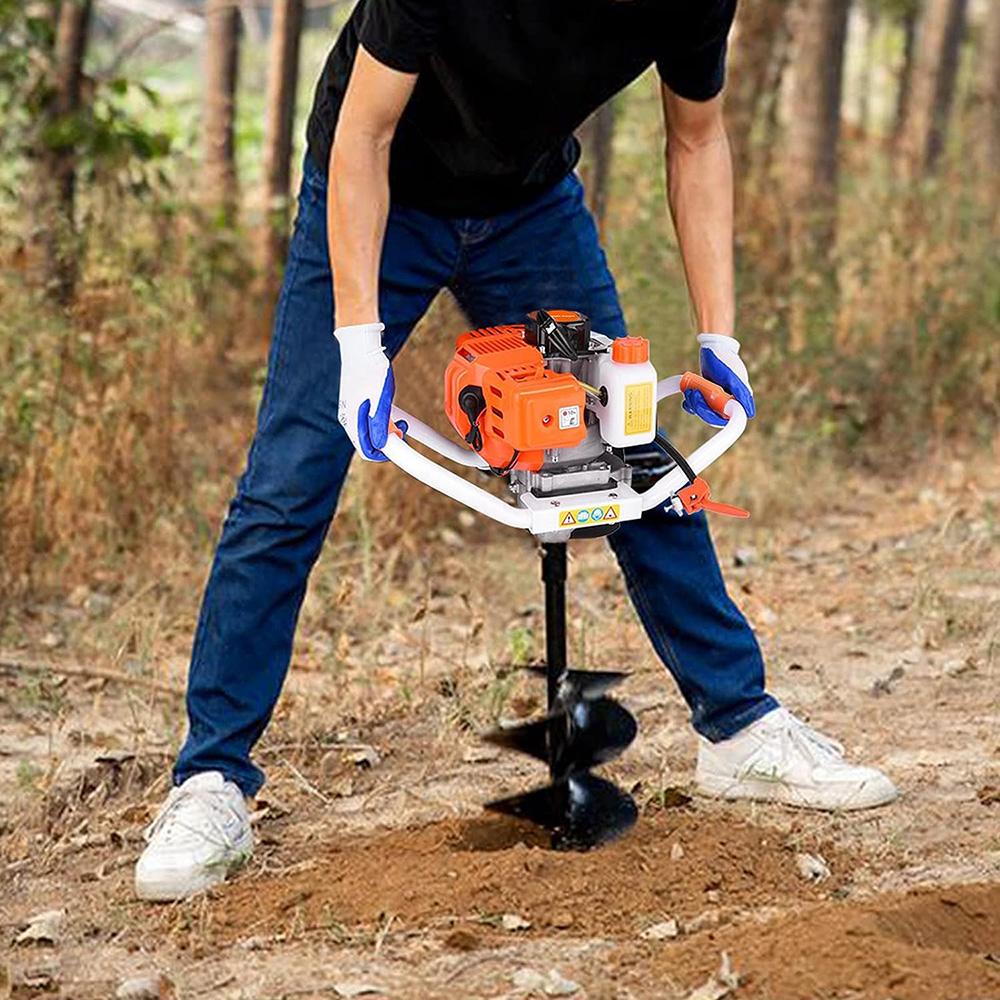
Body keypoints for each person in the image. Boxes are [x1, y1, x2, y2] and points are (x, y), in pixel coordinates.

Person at [134, 0, 897, 902]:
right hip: (387, 192)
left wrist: (718, 337)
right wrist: (355, 340)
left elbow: (698, 141)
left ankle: (738, 727)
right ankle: (211, 780)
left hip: (530, 208)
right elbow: (363, 136)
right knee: (292, 476)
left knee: (630, 444)